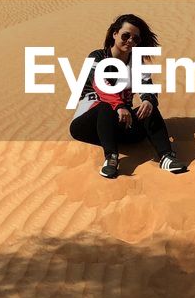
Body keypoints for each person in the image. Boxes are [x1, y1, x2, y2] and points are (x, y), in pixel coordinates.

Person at [69, 12, 188, 178]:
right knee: (106, 105)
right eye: (126, 35)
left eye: (136, 38)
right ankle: (111, 158)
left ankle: (166, 156)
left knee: (149, 109)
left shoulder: (137, 63)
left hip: (120, 124)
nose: (130, 41)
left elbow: (147, 87)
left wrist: (148, 101)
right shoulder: (97, 57)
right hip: (87, 125)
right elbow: (100, 85)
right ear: (115, 33)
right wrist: (119, 105)